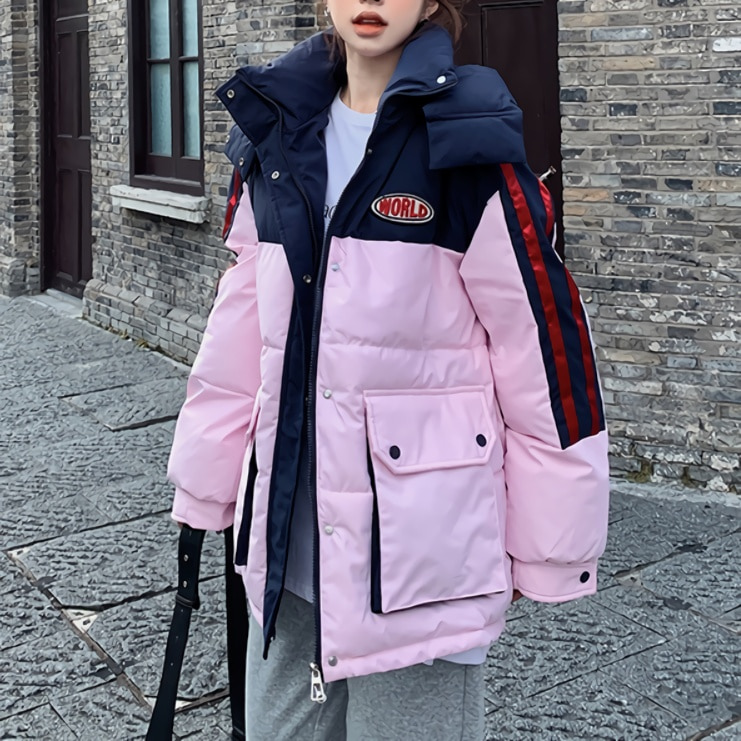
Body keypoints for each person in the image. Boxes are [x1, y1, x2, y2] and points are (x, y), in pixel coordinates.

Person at [167, 0, 610, 738]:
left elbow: (542, 347)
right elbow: (240, 330)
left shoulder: (468, 141)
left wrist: (551, 546)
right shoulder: (274, 131)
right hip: (287, 540)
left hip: (421, 557)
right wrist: (205, 482)